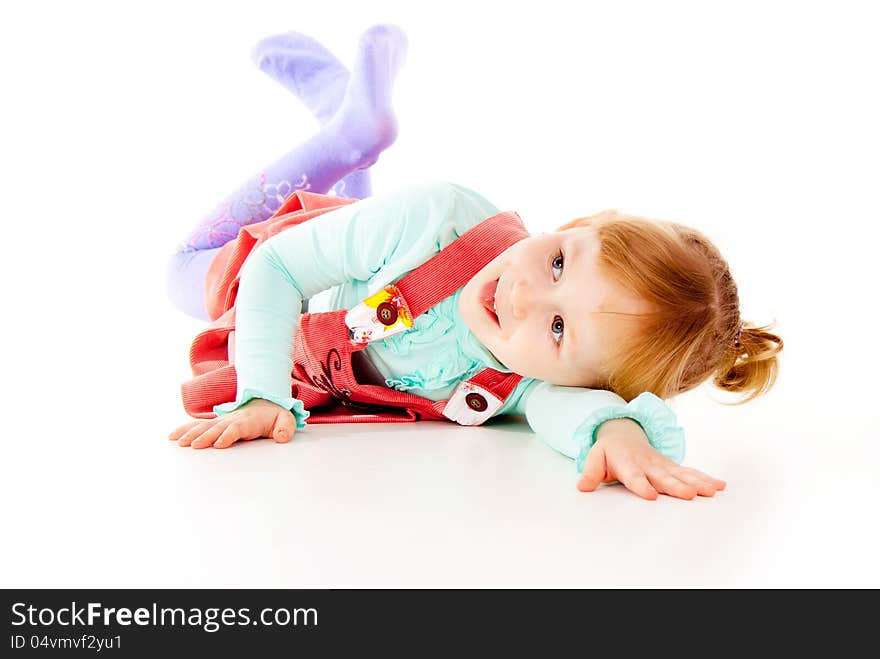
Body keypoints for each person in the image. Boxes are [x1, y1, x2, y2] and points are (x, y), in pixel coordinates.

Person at [166, 25, 783, 500]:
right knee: (187, 272)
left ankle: (339, 110)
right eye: (561, 265)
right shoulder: (437, 219)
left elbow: (567, 414)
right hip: (301, 274)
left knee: (359, 227)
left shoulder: (526, 380)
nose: (523, 297)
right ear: (575, 226)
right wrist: (262, 393)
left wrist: (616, 433)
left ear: (578, 379)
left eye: (559, 328)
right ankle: (347, 137)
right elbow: (277, 267)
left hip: (357, 272)